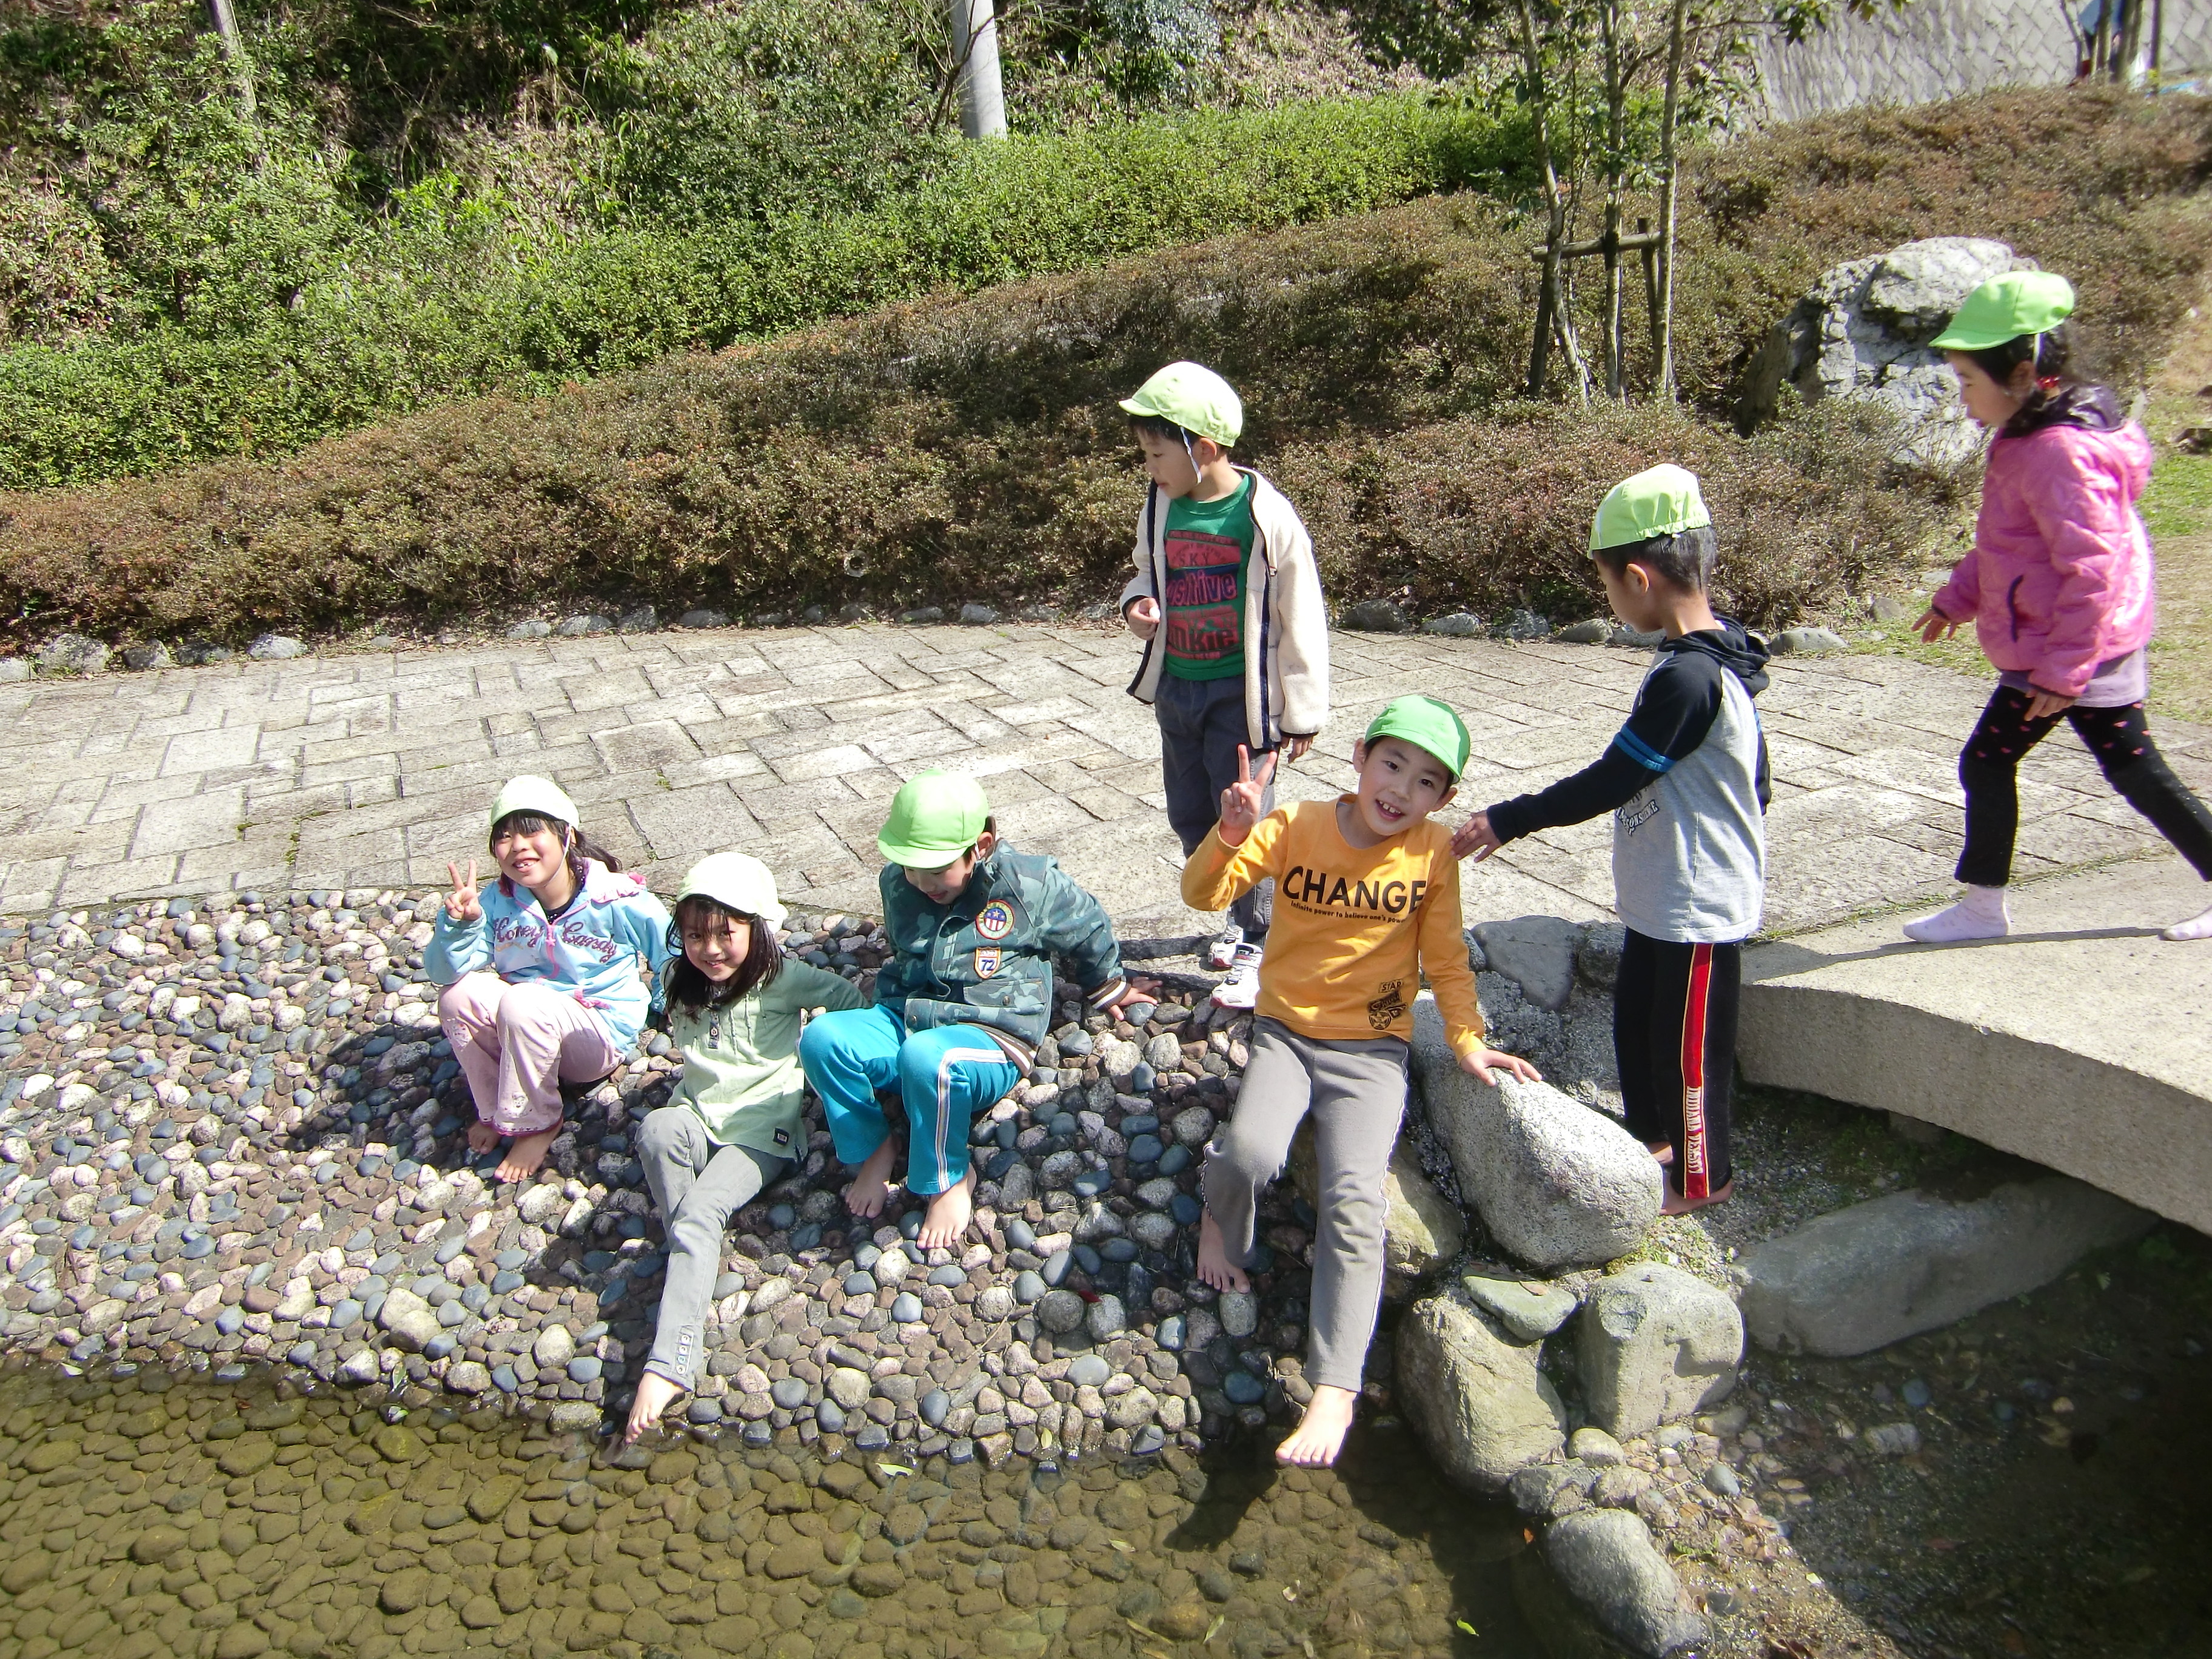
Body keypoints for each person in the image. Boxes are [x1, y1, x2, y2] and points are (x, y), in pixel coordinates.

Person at [1185, 697, 1540, 1467]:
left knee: (1355, 1201)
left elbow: (1447, 960)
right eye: (1392, 764)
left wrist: (1469, 1040)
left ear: (1444, 799)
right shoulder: (1298, 824)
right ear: (1360, 756)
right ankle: (1221, 1217)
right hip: (1285, 1034)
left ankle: (1335, 1387)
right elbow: (1203, 896)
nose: (1401, 789)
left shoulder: (1433, 854)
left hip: (1372, 1050)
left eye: (1426, 781)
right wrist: (1232, 834)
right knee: (1248, 1154)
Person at [1454, 464, 1769, 1216]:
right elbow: (1756, 777)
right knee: (1640, 1022)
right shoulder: (1705, 655)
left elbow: (1611, 780)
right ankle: (1657, 1138)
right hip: (1665, 894)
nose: (1609, 598)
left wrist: (1510, 817)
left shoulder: (1690, 680)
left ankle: (1705, 1178)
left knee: (1690, 1053)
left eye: (1605, 583)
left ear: (1638, 578)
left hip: (1697, 904)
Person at [1903, 270, 2212, 945]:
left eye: (1968, 381)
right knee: (2127, 767)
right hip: (2061, 644)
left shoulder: (2059, 451)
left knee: (2002, 763)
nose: (1963, 397)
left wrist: (2065, 671)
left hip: (2074, 650)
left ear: (2021, 375)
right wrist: (1957, 599)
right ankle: (1982, 907)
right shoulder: (2028, 434)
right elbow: (2009, 544)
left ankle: (1982, 909)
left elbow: (2094, 570)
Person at [799, 771, 1147, 1249]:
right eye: (910, 867)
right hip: (909, 1016)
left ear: (980, 846)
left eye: (936, 868)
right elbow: (902, 953)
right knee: (822, 1039)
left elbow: (1086, 924)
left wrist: (1109, 985)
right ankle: (876, 1144)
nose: (921, 882)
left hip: (989, 1033)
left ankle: (948, 1177)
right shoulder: (898, 884)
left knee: (929, 1059)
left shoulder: (1027, 884)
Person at [626, 853, 868, 1442]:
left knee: (701, 1212)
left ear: (757, 929)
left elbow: (852, 1003)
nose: (709, 950)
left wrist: (834, 1074)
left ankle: (670, 1363)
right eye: (695, 936)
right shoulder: (678, 978)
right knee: (656, 1129)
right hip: (696, 1117)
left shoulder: (784, 978)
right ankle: (692, 1252)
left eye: (725, 935)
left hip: (762, 1133)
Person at [1117, 361, 1330, 1008]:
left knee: (1246, 815)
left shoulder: (1265, 516)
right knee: (1191, 814)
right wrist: (1138, 604)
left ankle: (1263, 937)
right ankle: (1231, 911)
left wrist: (1302, 711)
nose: (1150, 467)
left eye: (1158, 454)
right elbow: (1144, 571)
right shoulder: (1160, 504)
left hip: (1243, 701)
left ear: (1203, 449)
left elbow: (1302, 612)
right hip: (1178, 690)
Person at [425, 776, 671, 1183]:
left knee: (523, 1001)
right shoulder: (497, 901)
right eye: (505, 837)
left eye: (531, 831)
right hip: (526, 1022)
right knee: (456, 998)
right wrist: (459, 928)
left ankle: (537, 1120)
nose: (518, 846)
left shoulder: (612, 896)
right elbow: (443, 973)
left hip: (593, 1036)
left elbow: (671, 950)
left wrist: (666, 1003)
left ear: (567, 835)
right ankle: (498, 1107)